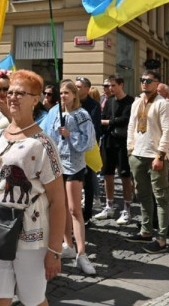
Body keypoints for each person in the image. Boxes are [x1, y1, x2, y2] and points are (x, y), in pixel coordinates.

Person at [0, 70, 65, 306]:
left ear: (36, 99)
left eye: (20, 93)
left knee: (33, 301)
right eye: (9, 92)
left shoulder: (43, 144)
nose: (12, 97)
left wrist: (55, 251)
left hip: (30, 237)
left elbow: (58, 201)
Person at [42, 79, 96, 275]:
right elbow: (48, 136)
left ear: (74, 95)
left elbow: (88, 142)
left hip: (74, 165)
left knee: (74, 209)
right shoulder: (54, 113)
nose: (63, 96)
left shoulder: (81, 115)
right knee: (60, 207)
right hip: (57, 166)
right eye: (61, 92)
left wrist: (69, 135)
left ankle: (82, 254)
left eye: (67, 92)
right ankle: (68, 244)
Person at [126, 70, 169, 254]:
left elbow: (168, 131)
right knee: (143, 195)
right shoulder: (137, 102)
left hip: (155, 156)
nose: (144, 83)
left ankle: (161, 238)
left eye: (148, 81)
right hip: (137, 154)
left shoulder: (163, 104)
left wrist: (160, 155)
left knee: (161, 197)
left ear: (157, 83)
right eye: (142, 80)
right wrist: (130, 150)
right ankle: (146, 231)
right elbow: (131, 126)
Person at [95, 75, 134, 224]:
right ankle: (109, 206)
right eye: (108, 86)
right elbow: (103, 117)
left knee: (125, 175)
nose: (110, 88)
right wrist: (108, 122)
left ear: (121, 85)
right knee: (107, 174)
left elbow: (125, 119)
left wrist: (108, 122)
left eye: (113, 85)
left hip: (123, 142)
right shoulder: (109, 101)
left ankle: (127, 209)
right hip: (109, 141)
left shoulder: (130, 101)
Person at [75, 76, 101, 225]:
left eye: (79, 86)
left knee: (88, 182)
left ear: (86, 89)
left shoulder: (94, 105)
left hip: (87, 149)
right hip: (72, 148)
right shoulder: (73, 103)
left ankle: (87, 214)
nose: (77, 89)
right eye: (76, 86)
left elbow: (94, 129)